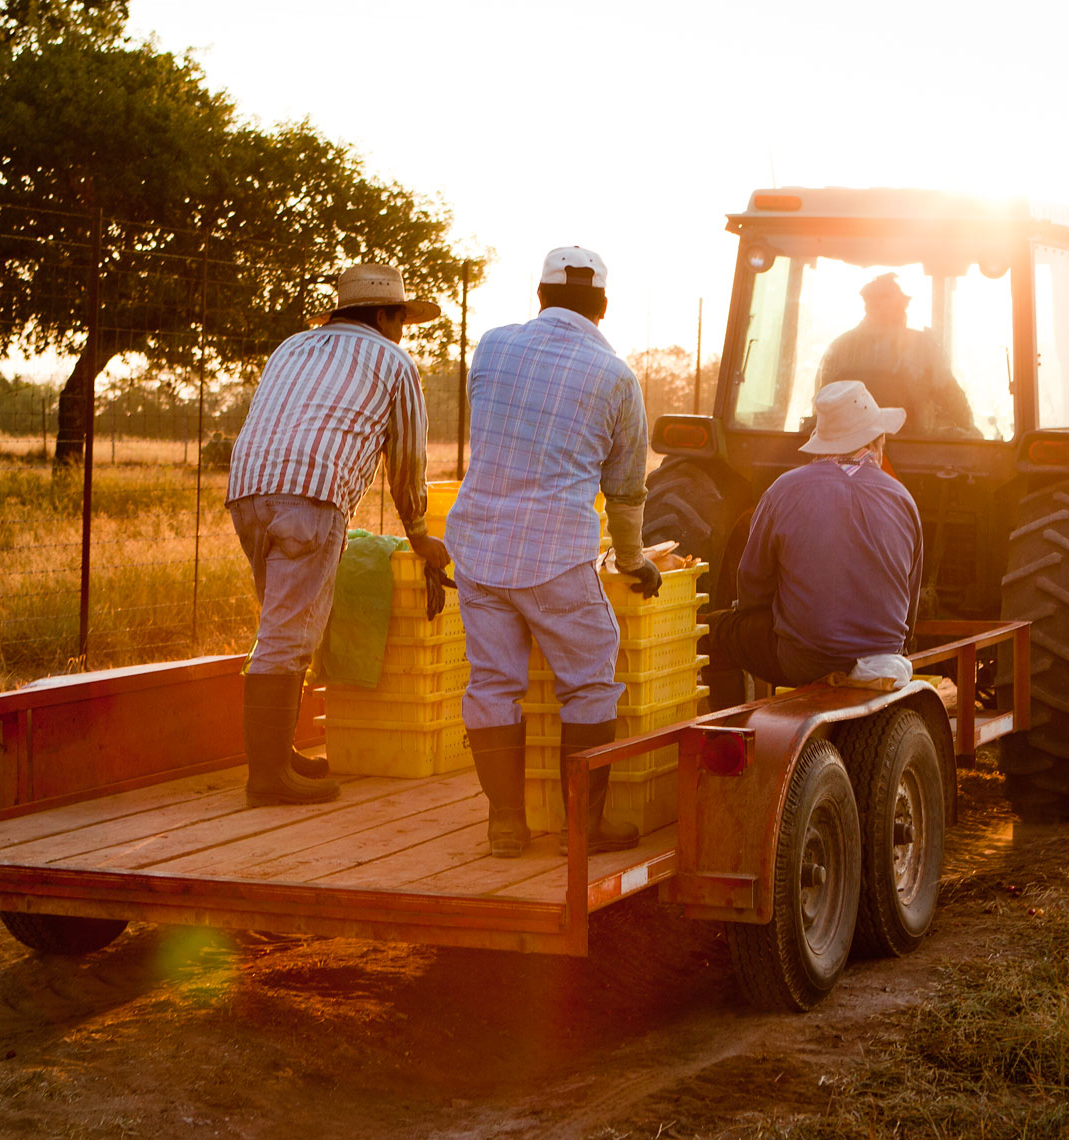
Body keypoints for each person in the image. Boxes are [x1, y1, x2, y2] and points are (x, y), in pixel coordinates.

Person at [445, 246, 662, 859]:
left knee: (491, 683)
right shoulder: (617, 376)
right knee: (590, 682)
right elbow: (624, 489)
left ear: (538, 296)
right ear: (603, 307)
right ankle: (580, 828)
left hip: (478, 545)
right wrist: (631, 561)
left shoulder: (491, 345)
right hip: (557, 555)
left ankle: (506, 825)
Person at [227, 263, 451, 807]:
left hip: (247, 490)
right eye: (401, 318)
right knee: (288, 635)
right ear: (383, 315)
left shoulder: (291, 348)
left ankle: (277, 758)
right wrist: (420, 535)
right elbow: (406, 459)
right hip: (312, 496)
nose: (404, 331)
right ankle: (268, 779)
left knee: (278, 624)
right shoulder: (394, 361)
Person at [704, 380, 923, 707]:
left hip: (803, 662)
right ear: (878, 441)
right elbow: (910, 600)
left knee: (713, 634)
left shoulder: (783, 490)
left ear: (821, 442)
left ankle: (732, 736)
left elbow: (752, 585)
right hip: (884, 660)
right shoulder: (903, 498)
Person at [816, 272, 977, 437]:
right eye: (879, 305)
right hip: (911, 452)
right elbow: (952, 398)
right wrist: (971, 433)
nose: (888, 311)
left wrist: (969, 431)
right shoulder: (922, 348)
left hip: (857, 451)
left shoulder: (841, 348)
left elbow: (951, 396)